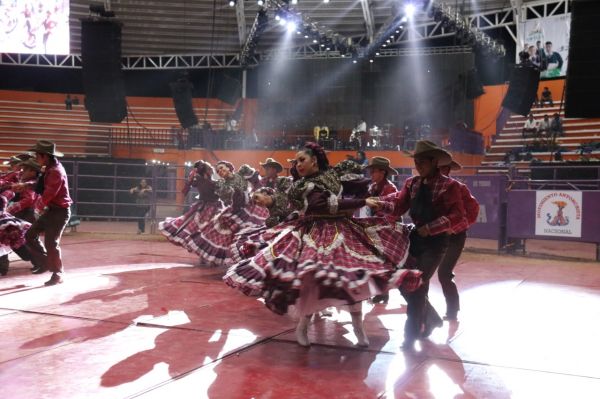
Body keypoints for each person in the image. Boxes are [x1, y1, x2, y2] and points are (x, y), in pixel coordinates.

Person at [224, 142, 419, 348]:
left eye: (302, 160)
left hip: (342, 231)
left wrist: (360, 199)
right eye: (297, 161)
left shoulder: (329, 176)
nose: (298, 164)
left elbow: (344, 196)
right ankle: (303, 326)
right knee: (313, 279)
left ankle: (357, 327)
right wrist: (362, 202)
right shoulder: (303, 185)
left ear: (314, 160)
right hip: (313, 234)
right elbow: (325, 205)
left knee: (353, 276)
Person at [366, 140, 468, 350]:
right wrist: (378, 203)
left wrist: (431, 228)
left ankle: (411, 335)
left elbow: (458, 215)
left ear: (434, 161)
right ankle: (430, 320)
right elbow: (398, 205)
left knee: (417, 283)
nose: (418, 165)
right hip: (415, 238)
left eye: (422, 161)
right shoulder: (412, 184)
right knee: (406, 283)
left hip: (436, 242)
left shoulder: (450, 186)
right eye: (416, 161)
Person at [186, 161, 268, 267]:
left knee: (253, 232)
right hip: (235, 210)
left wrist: (255, 195)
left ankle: (255, 258)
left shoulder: (242, 173)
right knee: (218, 231)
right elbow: (223, 198)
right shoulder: (221, 184)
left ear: (228, 167)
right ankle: (230, 257)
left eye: (221, 168)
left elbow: (258, 184)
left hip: (250, 208)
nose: (220, 171)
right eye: (218, 170)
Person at [24, 140, 73, 286]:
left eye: (37, 155)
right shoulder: (50, 168)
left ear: (44, 156)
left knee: (51, 243)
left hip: (59, 212)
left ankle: (57, 273)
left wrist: (37, 208)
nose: (35, 158)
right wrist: (25, 185)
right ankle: (46, 262)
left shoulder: (55, 171)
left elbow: (49, 193)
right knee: (30, 235)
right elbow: (43, 186)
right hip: (52, 210)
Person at [437, 160, 479, 321]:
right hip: (436, 236)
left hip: (454, 237)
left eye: (441, 168)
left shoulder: (459, 188)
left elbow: (473, 210)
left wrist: (455, 228)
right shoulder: (427, 188)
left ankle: (452, 310)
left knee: (444, 273)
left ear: (446, 169)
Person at [158, 160, 223, 250]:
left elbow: (186, 188)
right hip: (210, 208)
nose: (212, 169)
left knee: (201, 229)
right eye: (210, 168)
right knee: (208, 230)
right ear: (207, 171)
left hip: (203, 206)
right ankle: (202, 249)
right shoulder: (210, 182)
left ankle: (201, 248)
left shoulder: (201, 180)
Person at [0, 159, 44, 275]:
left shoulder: (32, 183)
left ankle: (40, 261)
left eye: (24, 168)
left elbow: (29, 200)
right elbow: (5, 179)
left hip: (28, 212)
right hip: (19, 212)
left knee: (25, 238)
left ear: (33, 171)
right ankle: (39, 261)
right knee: (11, 237)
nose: (20, 170)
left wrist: (8, 209)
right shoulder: (19, 176)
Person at [364, 156, 398, 305]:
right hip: (375, 228)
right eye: (371, 172)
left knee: (386, 262)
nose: (371, 174)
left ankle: (384, 292)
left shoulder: (391, 189)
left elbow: (390, 213)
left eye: (374, 171)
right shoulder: (372, 188)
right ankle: (381, 292)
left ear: (383, 172)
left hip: (388, 230)